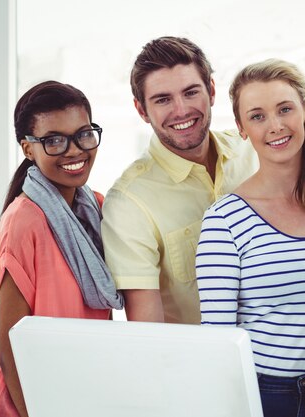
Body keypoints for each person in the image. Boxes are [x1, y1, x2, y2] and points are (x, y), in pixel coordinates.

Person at [197, 59, 305, 417]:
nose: (275, 126)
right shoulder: (224, 221)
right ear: (242, 128)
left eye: (285, 109)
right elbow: (217, 344)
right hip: (269, 398)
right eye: (257, 116)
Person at [0, 81, 122, 417]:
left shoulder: (96, 207)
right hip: (19, 404)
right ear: (28, 148)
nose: (74, 150)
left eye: (83, 134)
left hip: (73, 392)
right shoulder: (24, 220)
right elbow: (12, 347)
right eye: (54, 140)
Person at [101, 36, 257, 324]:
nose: (181, 110)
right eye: (163, 100)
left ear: (211, 90)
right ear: (141, 110)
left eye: (190, 92)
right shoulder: (129, 204)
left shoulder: (255, 154)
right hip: (198, 365)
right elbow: (149, 333)